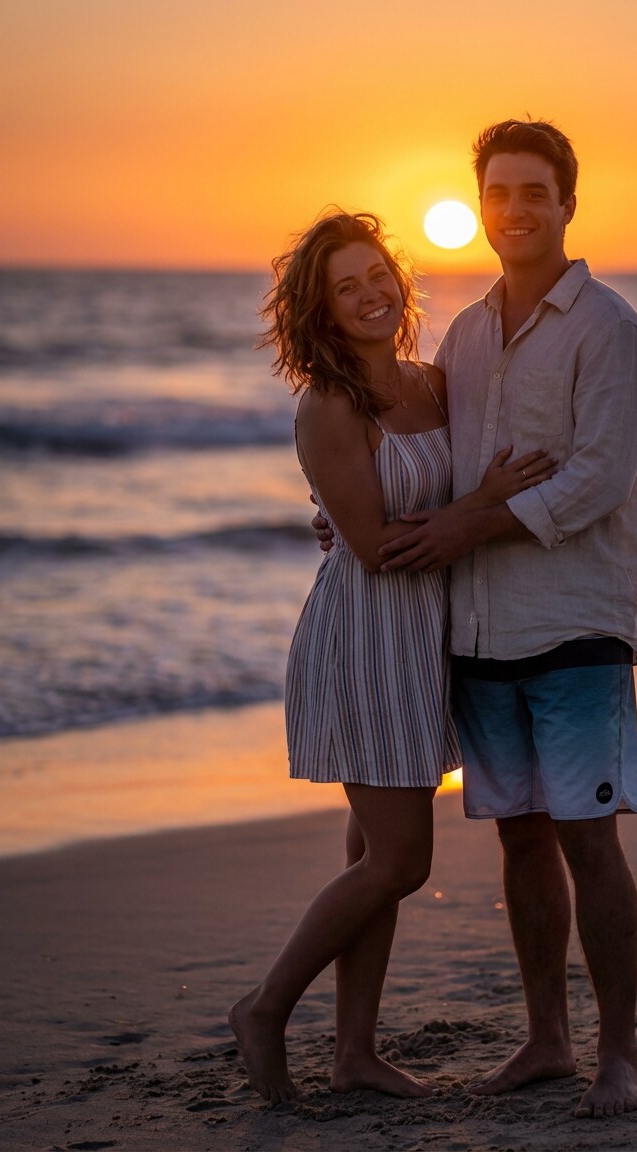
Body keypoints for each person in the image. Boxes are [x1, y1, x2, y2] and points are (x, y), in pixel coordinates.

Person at [228, 210, 556, 1105]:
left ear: (398, 281)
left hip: (425, 639)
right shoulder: (327, 404)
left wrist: (456, 512)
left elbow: (392, 521)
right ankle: (263, 1009)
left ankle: (355, 1055)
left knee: (371, 853)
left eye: (378, 275)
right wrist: (483, 500)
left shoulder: (431, 382)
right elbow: (374, 549)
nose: (370, 294)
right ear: (320, 310)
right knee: (401, 861)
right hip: (366, 637)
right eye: (346, 286)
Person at [375, 121, 637, 1118]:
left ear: (568, 203)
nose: (514, 210)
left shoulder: (608, 328)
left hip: (574, 625)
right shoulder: (466, 334)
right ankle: (547, 1041)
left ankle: (617, 1055)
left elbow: (593, 482)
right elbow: (444, 467)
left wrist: (466, 527)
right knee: (520, 844)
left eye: (533, 192)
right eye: (497, 192)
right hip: (481, 634)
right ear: (481, 205)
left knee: (589, 841)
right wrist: (362, 517)